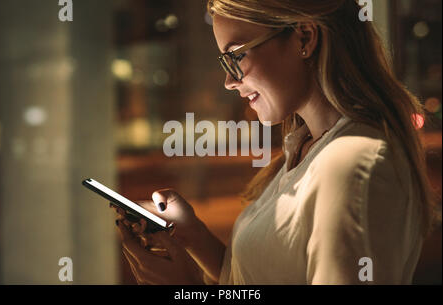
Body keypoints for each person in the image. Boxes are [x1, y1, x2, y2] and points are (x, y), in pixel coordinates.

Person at [112, 0, 438, 284]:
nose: (229, 81)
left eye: (236, 56)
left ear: (305, 37)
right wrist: (192, 233)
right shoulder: (303, 151)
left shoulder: (350, 164)